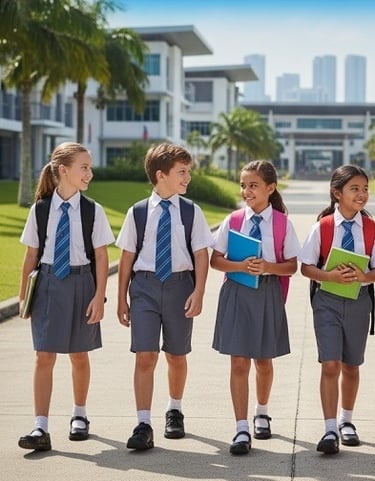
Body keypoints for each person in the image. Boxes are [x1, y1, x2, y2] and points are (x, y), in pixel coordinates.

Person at [116, 142, 214, 450]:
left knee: (176, 354)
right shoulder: (138, 212)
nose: (187, 178)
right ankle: (143, 423)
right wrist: (121, 298)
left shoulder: (191, 212)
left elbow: (201, 255)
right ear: (161, 175)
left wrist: (198, 292)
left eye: (188, 172)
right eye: (182, 172)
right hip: (144, 287)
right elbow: (127, 257)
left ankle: (174, 409)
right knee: (145, 355)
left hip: (179, 287)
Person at [18, 142, 115, 451]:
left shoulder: (92, 210)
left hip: (81, 283)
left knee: (78, 354)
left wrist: (100, 296)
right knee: (44, 355)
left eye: (89, 167)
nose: (90, 172)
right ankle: (40, 427)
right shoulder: (41, 209)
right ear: (64, 170)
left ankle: (79, 415)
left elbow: (101, 257)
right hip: (48, 284)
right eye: (84, 167)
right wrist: (24, 298)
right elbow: (31, 255)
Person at [211, 160, 300, 455]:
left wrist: (268, 267)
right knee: (238, 361)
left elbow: (291, 266)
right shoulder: (234, 220)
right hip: (236, 292)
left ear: (270, 188)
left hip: (267, 293)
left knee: (263, 361)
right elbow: (216, 260)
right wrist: (240, 265)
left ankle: (261, 412)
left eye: (253, 185)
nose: (246, 191)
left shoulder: (282, 223)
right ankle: (240, 428)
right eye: (243, 185)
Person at [300, 165, 375, 455]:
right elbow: (306, 267)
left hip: (359, 301)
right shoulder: (323, 227)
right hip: (327, 302)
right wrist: (329, 276)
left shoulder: (371, 229)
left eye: (365, 188)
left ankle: (347, 421)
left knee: (351, 365)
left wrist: (364, 277)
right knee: (330, 364)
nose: (362, 194)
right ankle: (330, 429)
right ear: (337, 193)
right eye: (354, 188)